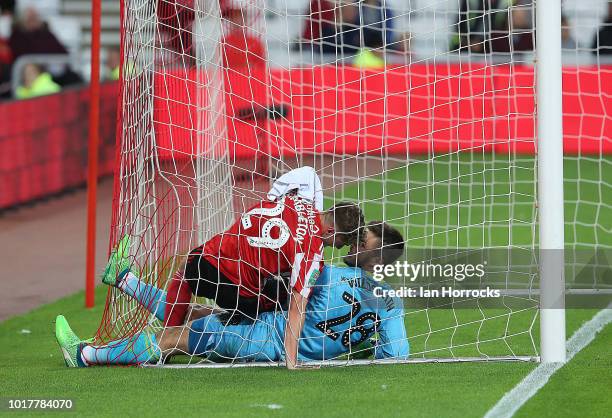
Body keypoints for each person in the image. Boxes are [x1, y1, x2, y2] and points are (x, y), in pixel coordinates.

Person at [54, 221, 409, 366]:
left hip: (264, 337)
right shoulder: (391, 303)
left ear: (374, 256)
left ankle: (84, 354)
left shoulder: (328, 272)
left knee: (172, 337)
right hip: (269, 326)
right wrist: (356, 344)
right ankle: (125, 279)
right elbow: (396, 354)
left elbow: (287, 291)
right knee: (192, 313)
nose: (355, 239)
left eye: (362, 240)